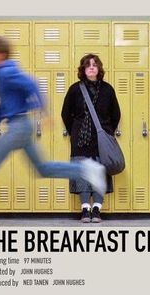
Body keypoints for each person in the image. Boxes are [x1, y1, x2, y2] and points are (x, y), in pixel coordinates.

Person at [0, 36, 107, 197]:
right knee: (43, 168)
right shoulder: (4, 73)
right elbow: (4, 105)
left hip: (18, 128)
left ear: (0, 54)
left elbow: (32, 84)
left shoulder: (5, 72)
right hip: (22, 126)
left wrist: (43, 110)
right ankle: (87, 169)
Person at [61, 54, 121, 222]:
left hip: (101, 140)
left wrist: (108, 132)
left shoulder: (108, 89)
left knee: (100, 173)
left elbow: (115, 114)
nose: (92, 67)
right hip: (80, 140)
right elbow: (66, 113)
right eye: (88, 65)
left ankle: (97, 210)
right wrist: (74, 131)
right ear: (83, 69)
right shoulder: (75, 89)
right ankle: (85, 209)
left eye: (95, 65)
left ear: (99, 68)